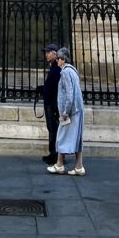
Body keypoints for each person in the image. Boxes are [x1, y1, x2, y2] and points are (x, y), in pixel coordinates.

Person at [47, 47, 85, 176]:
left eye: (58, 58)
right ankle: (79, 167)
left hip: (71, 111)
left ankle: (59, 165)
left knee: (61, 136)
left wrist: (65, 112)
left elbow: (69, 94)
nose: (56, 61)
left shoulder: (65, 73)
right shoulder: (73, 71)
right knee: (77, 139)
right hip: (78, 109)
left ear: (62, 60)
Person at [39, 43, 61, 165]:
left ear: (55, 53)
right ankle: (53, 153)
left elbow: (58, 88)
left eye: (48, 52)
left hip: (52, 105)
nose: (46, 54)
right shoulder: (53, 67)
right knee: (51, 129)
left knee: (54, 129)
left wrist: (54, 105)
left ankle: (55, 155)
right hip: (49, 103)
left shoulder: (57, 68)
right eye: (46, 52)